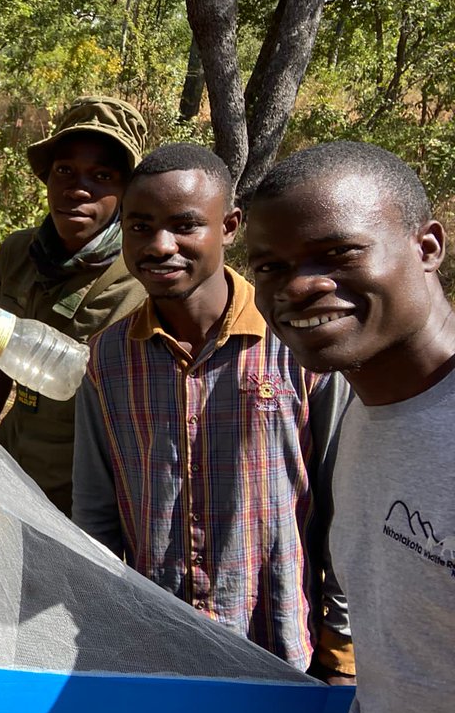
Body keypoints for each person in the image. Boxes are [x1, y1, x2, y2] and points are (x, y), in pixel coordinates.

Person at [72, 144, 354, 676]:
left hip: (280, 649)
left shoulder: (300, 343)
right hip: (156, 649)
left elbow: (347, 505)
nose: (160, 246)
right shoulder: (106, 359)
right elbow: (97, 514)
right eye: (140, 226)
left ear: (229, 226)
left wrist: (340, 647)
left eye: (184, 226)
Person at [247, 141, 455, 713]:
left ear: (427, 247)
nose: (300, 287)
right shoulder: (366, 416)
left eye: (338, 254)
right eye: (270, 267)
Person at [0, 95, 149, 514]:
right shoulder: (19, 253)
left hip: (87, 490)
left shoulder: (140, 273)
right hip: (16, 465)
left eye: (102, 175)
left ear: (126, 192)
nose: (78, 189)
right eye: (64, 170)